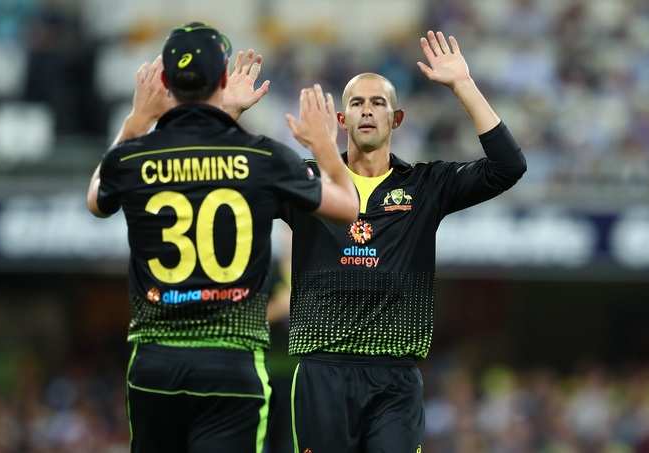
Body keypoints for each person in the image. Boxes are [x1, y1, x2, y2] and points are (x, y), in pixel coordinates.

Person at [86, 22, 357, 453]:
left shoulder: (133, 157)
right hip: (232, 366)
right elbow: (347, 207)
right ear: (226, 79)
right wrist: (325, 145)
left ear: (164, 83)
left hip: (154, 363)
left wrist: (137, 119)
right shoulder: (263, 157)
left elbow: (96, 198)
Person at [284, 30, 527, 452]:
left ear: (396, 119)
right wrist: (227, 115)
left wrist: (462, 85)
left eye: (379, 103)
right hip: (322, 371)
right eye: (356, 103)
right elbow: (237, 183)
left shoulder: (425, 184)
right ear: (340, 120)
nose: (366, 111)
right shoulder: (306, 180)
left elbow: (508, 166)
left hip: (395, 377)